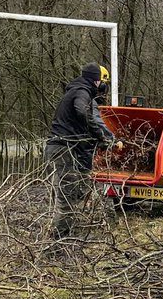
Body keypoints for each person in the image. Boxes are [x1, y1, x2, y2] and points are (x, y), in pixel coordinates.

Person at [45, 62, 117, 255]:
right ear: (97, 82)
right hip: (64, 147)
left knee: (71, 191)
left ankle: (62, 233)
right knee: (67, 196)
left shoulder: (75, 90)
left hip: (63, 147)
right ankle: (59, 244)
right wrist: (100, 135)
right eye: (104, 84)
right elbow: (81, 111)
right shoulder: (82, 92)